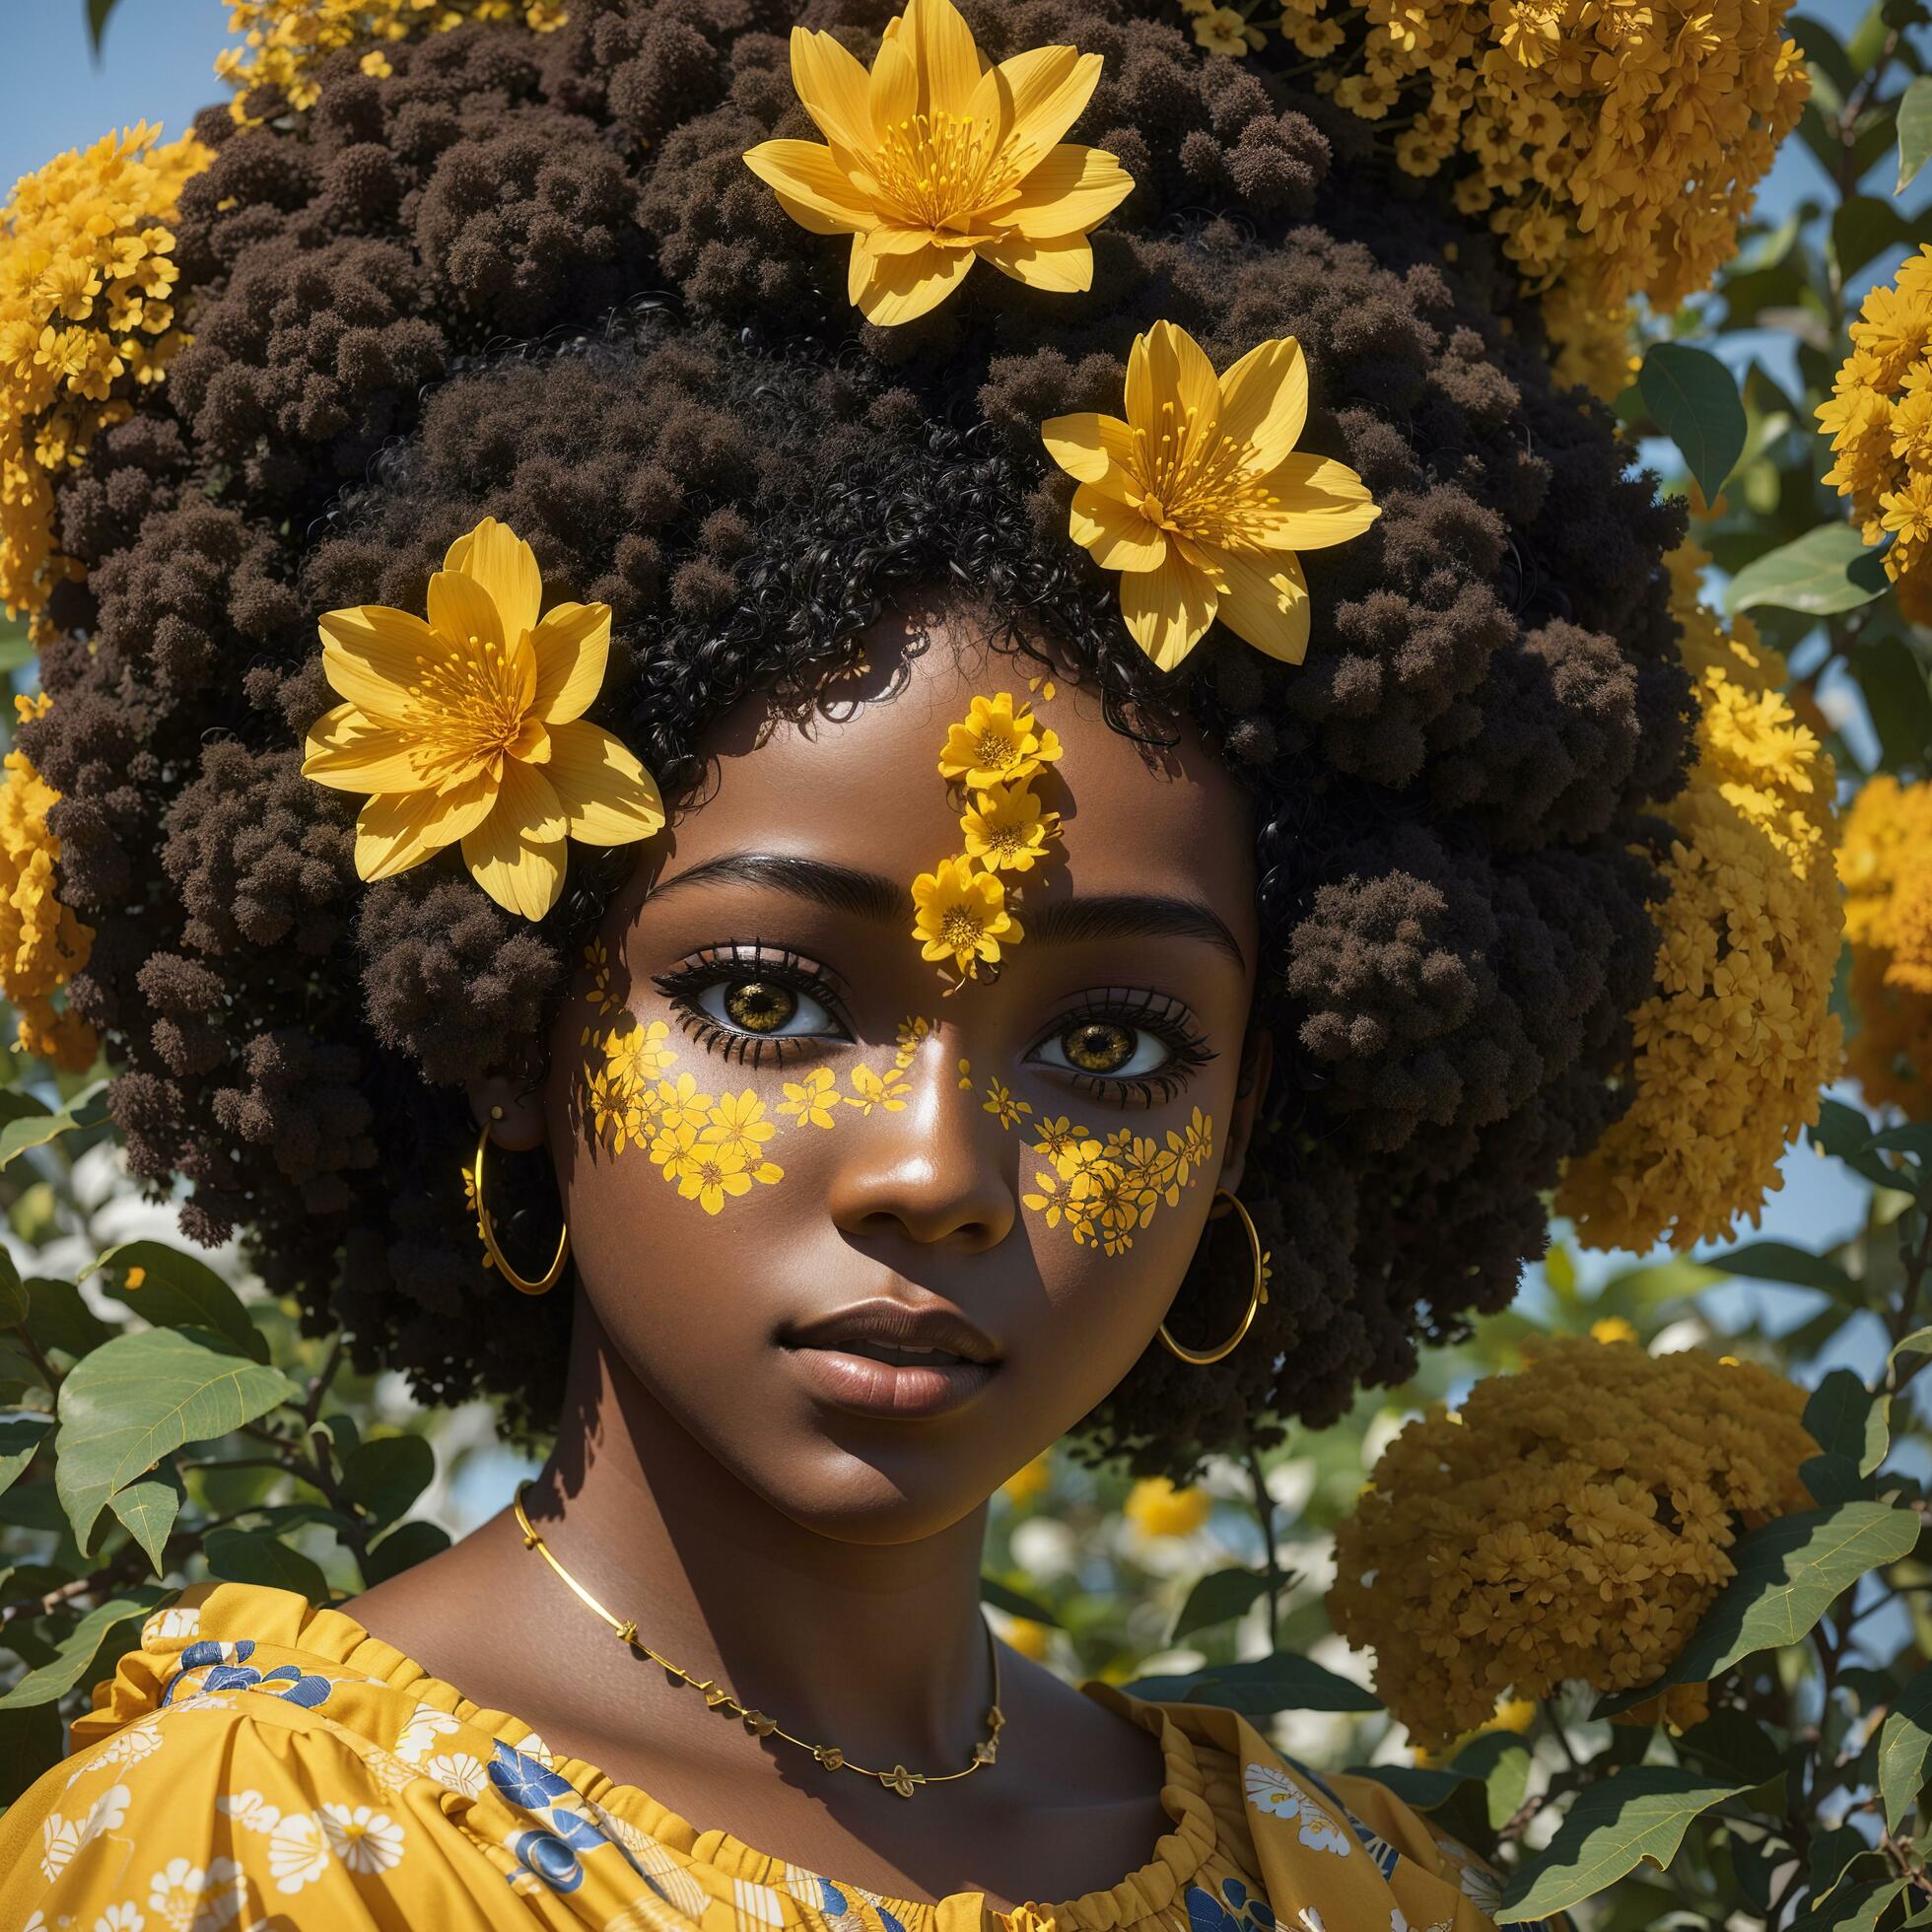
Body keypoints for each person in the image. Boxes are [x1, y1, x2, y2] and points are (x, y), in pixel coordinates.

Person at [0, 0, 1680, 1923]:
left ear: (1255, 1117)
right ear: (506, 1020)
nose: (933, 1170)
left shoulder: (1359, 1894)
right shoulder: (242, 1852)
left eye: (1117, 1041)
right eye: (767, 997)